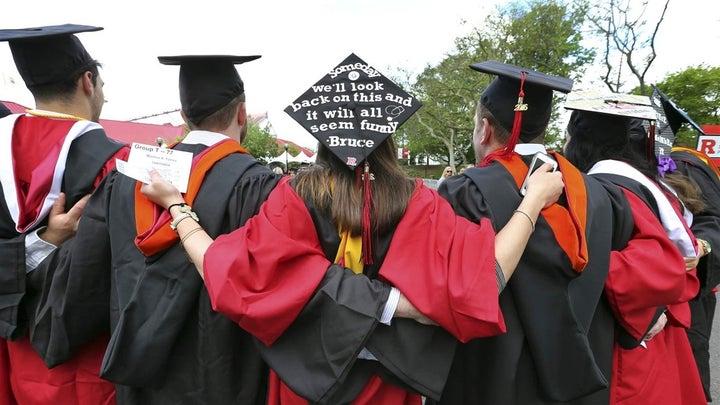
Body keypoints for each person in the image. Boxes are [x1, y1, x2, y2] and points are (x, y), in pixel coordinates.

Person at [140, 55, 563, 404]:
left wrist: (177, 206)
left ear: (323, 138)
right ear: (389, 137)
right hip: (387, 386)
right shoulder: (419, 202)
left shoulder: (293, 197)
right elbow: (485, 279)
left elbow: (225, 270)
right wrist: (533, 201)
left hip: (304, 387)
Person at [29, 55, 281, 404]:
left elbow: (84, 278)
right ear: (242, 114)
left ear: (183, 117)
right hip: (230, 379)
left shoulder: (127, 176)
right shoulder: (261, 187)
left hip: (142, 381)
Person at [433, 61, 640, 404]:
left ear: (484, 129)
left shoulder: (463, 192)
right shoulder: (600, 194)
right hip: (578, 385)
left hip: (486, 384)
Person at [0, 24, 129, 405]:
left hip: (11, 353)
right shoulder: (119, 163)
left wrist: (38, 244)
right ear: (88, 82)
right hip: (90, 364)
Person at [562, 99, 706, 405]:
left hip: (624, 346)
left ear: (583, 143)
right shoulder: (646, 187)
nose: (565, 145)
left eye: (568, 138)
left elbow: (652, 266)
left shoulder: (605, 191)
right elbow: (679, 264)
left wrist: (561, 252)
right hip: (653, 339)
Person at [653, 86, 720, 401]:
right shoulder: (622, 167)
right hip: (644, 291)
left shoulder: (687, 165)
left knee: (687, 372)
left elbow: (713, 221)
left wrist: (702, 246)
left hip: (688, 291)